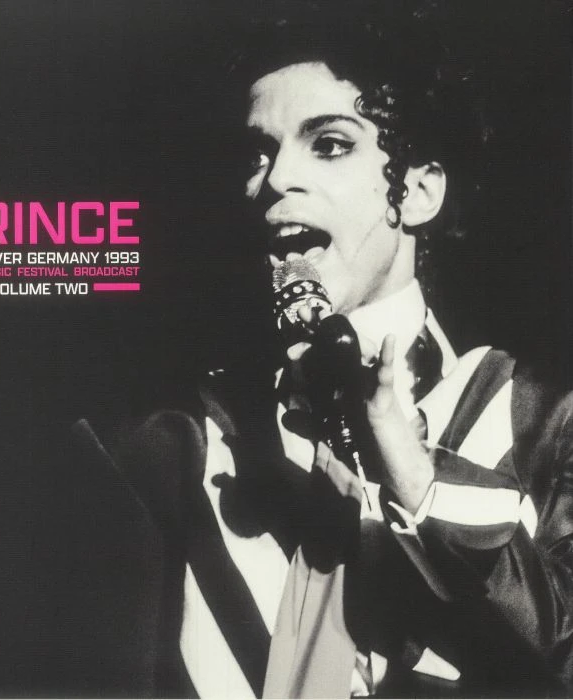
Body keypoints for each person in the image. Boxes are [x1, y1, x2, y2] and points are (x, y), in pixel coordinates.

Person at [78, 6, 573, 698]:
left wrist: (415, 475)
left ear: (419, 192)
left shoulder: (541, 421)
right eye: (257, 154)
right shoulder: (171, 445)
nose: (277, 177)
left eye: (330, 144)